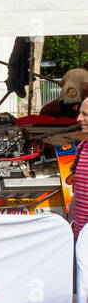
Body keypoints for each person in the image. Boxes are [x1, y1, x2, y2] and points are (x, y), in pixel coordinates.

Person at [67, 98, 88, 239]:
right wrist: (68, 232)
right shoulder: (82, 147)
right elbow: (78, 192)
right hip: (79, 239)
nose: (78, 118)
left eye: (85, 114)